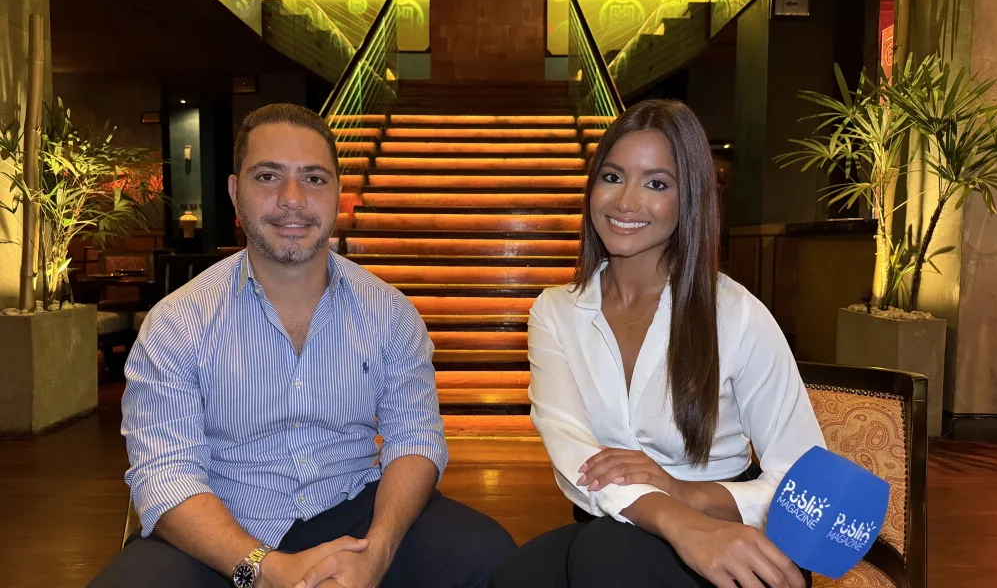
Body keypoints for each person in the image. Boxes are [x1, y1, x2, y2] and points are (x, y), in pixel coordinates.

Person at [90, 103, 516, 588]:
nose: (292, 199)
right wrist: (266, 569)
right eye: (268, 176)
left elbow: (415, 441)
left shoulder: (389, 312)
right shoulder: (177, 322)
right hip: (223, 525)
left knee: (489, 556)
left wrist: (377, 553)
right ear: (235, 192)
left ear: (337, 193)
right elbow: (166, 474)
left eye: (314, 178)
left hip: (355, 512)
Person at [490, 100, 826, 588]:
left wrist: (686, 496)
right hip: (615, 524)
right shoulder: (554, 312)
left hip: (729, 530)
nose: (626, 201)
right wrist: (675, 520)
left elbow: (805, 482)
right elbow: (572, 454)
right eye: (612, 177)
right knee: (516, 578)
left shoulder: (736, 313)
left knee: (606, 556)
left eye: (656, 184)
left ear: (689, 199)